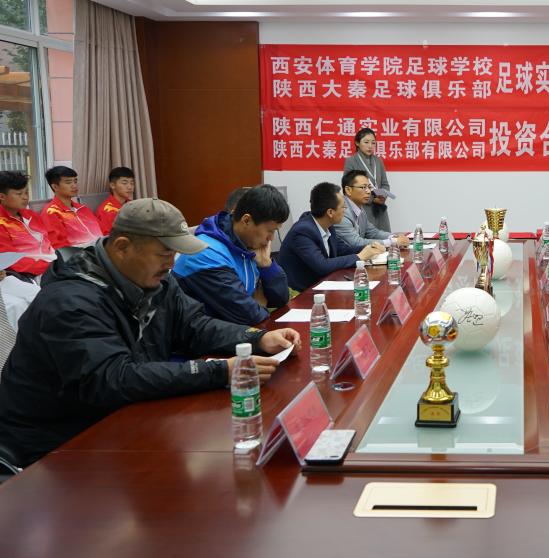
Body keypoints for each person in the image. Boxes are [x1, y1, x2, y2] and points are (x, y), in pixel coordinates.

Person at [0, 198, 301, 467]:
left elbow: (195, 326)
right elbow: (113, 378)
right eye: (164, 253)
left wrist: (256, 338)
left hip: (124, 420)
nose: (171, 264)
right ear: (122, 247)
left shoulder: (157, 281)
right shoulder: (70, 302)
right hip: (57, 445)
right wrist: (219, 371)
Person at [172, 184, 290, 325]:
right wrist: (258, 304)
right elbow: (251, 316)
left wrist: (267, 266)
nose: (271, 238)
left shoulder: (247, 245)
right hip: (197, 336)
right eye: (270, 231)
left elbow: (281, 299)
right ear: (246, 220)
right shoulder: (207, 254)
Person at [278, 182, 385, 292]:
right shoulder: (302, 232)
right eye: (343, 207)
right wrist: (359, 257)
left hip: (322, 287)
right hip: (300, 294)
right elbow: (322, 266)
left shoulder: (328, 226)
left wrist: (369, 248)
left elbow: (343, 250)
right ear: (330, 212)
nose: (345, 210)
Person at [0, 171, 55, 278]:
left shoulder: (31, 215)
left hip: (53, 263)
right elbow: (10, 260)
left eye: (26, 192)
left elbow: (49, 240)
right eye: (19, 194)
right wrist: (48, 267)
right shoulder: (2, 224)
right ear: (2, 196)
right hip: (30, 273)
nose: (25, 197)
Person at [337, 170, 408, 250]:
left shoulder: (359, 208)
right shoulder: (341, 211)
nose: (368, 192)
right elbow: (355, 243)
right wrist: (392, 242)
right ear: (348, 190)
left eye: (369, 187)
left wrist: (394, 236)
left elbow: (373, 232)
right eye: (363, 187)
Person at [343, 128, 393, 232]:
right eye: (366, 142)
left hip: (380, 208)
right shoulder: (351, 161)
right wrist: (372, 199)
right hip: (362, 208)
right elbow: (348, 187)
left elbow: (385, 183)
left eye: (373, 143)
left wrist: (383, 196)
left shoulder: (378, 161)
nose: (370, 146)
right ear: (357, 143)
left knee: (384, 238)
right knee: (367, 238)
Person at [41, 165, 103, 248]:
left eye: (75, 181)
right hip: (81, 253)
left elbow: (102, 230)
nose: (74, 185)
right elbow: (59, 246)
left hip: (102, 248)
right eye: (68, 182)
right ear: (55, 187)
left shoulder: (83, 208)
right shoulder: (51, 212)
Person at [96, 167, 135, 235]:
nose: (130, 187)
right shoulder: (106, 211)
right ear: (112, 185)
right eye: (124, 183)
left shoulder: (133, 204)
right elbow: (109, 237)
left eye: (132, 183)